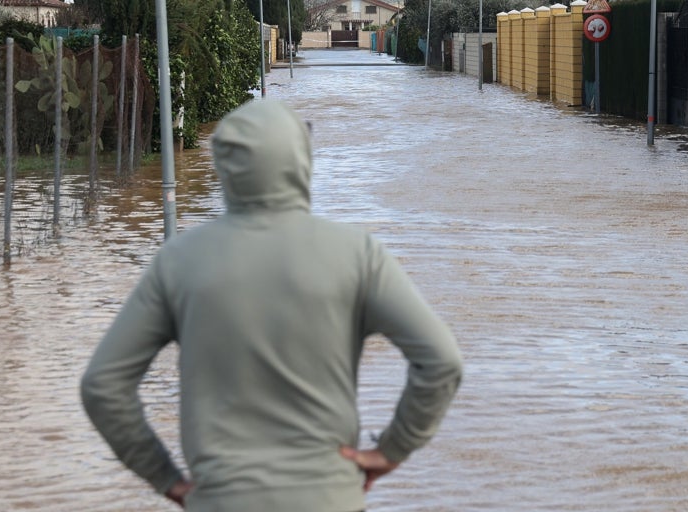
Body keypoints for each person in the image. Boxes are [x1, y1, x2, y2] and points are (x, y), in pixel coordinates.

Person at [80, 99, 463, 511]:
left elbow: (103, 386)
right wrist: (393, 449)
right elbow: (442, 362)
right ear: (301, 161)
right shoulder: (357, 254)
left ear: (224, 165)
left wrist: (166, 479)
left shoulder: (179, 261)